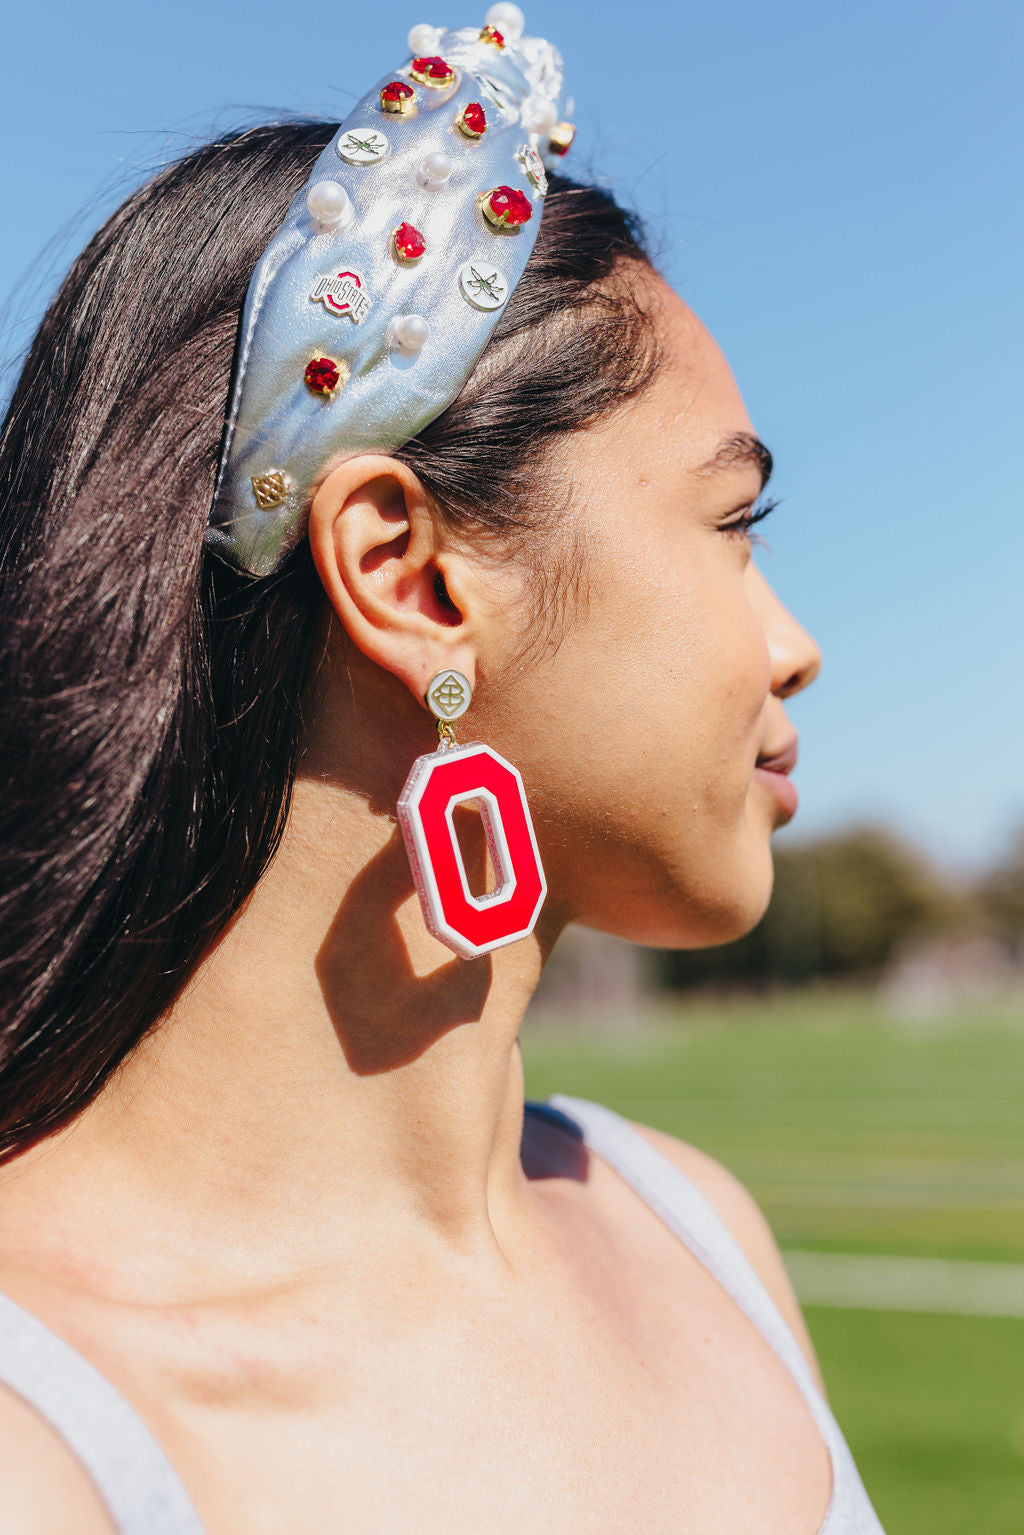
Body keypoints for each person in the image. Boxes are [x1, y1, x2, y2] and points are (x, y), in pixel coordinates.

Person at [0, 9, 884, 1533]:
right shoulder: (44, 1434)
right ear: (410, 579)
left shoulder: (698, 1230)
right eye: (733, 526)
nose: (794, 646)